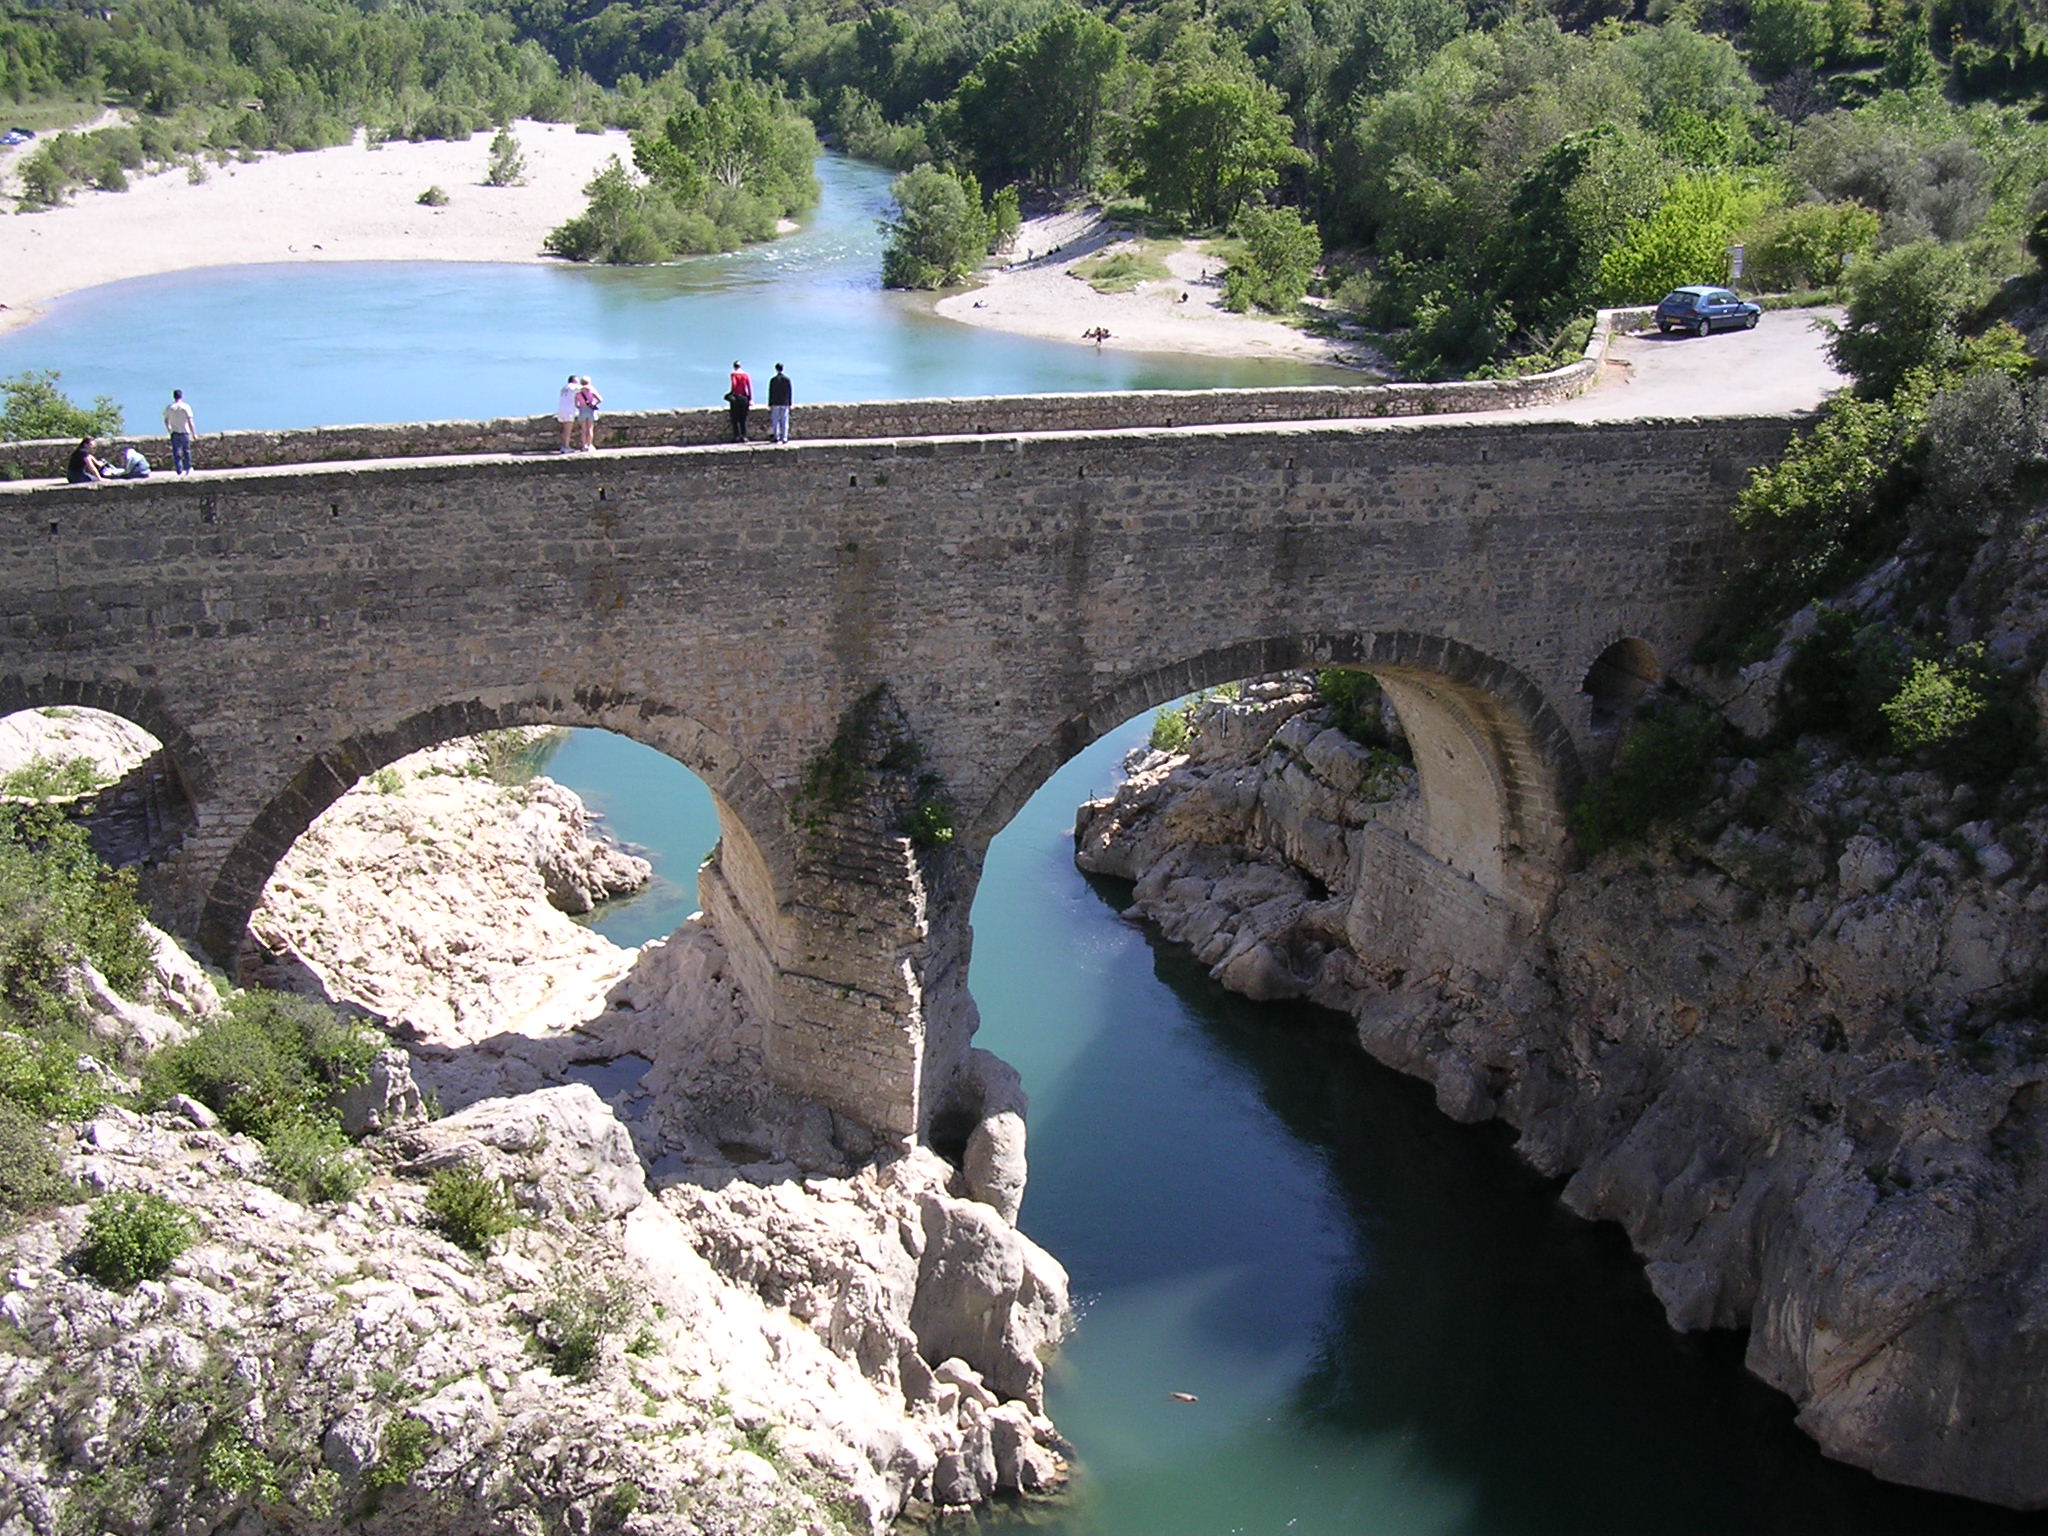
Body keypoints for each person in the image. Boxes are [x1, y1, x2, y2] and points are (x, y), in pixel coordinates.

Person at [162, 388, 195, 475]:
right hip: (185, 432)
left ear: (174, 397)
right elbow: (190, 421)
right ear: (182, 396)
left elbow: (165, 420)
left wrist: (169, 429)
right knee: (186, 451)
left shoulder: (169, 407)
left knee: (176, 452)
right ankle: (188, 468)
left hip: (174, 432)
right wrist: (194, 433)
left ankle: (179, 470)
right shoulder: (186, 407)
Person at [726, 360, 752, 442]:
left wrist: (731, 393)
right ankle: (744, 436)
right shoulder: (746, 375)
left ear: (734, 366)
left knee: (735, 418)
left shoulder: (734, 374)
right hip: (744, 398)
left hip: (737, 398)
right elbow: (749, 387)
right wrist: (750, 398)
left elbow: (734, 385)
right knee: (743, 419)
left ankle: (736, 436)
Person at [767, 363, 793, 444]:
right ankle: (784, 437)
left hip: (775, 402)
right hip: (784, 403)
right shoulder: (787, 380)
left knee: (775, 420)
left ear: (776, 369)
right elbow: (789, 392)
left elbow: (770, 392)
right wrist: (789, 402)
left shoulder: (773, 380)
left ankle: (776, 437)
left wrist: (770, 403)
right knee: (784, 420)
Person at [575, 375, 602, 451]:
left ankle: (584, 446)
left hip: (582, 410)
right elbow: (600, 399)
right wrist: (593, 404)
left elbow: (575, 403)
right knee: (590, 429)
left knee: (583, 429)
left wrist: (580, 407)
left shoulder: (578, 391)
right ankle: (589, 445)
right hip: (590, 410)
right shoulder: (591, 390)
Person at [555, 374, 579, 453]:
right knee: (567, 430)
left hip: (561, 410)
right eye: (577, 381)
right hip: (569, 411)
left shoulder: (564, 388)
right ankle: (566, 447)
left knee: (564, 429)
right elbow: (584, 388)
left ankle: (563, 446)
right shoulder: (572, 386)